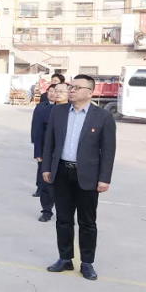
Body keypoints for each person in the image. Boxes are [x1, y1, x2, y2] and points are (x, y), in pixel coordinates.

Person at [42, 74, 117, 281]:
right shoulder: (58, 112)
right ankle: (65, 258)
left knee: (87, 222)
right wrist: (46, 168)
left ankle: (87, 262)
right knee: (63, 219)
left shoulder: (102, 116)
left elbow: (108, 151)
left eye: (77, 87)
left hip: (88, 176)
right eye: (71, 87)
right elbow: (49, 143)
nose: (72, 90)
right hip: (61, 173)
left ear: (90, 92)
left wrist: (104, 178)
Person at [30, 79, 56, 221]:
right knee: (46, 180)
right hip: (46, 149)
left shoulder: (68, 109)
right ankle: (46, 211)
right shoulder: (42, 108)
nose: (54, 94)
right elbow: (37, 130)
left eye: (57, 91)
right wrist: (38, 151)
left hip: (63, 153)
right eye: (51, 91)